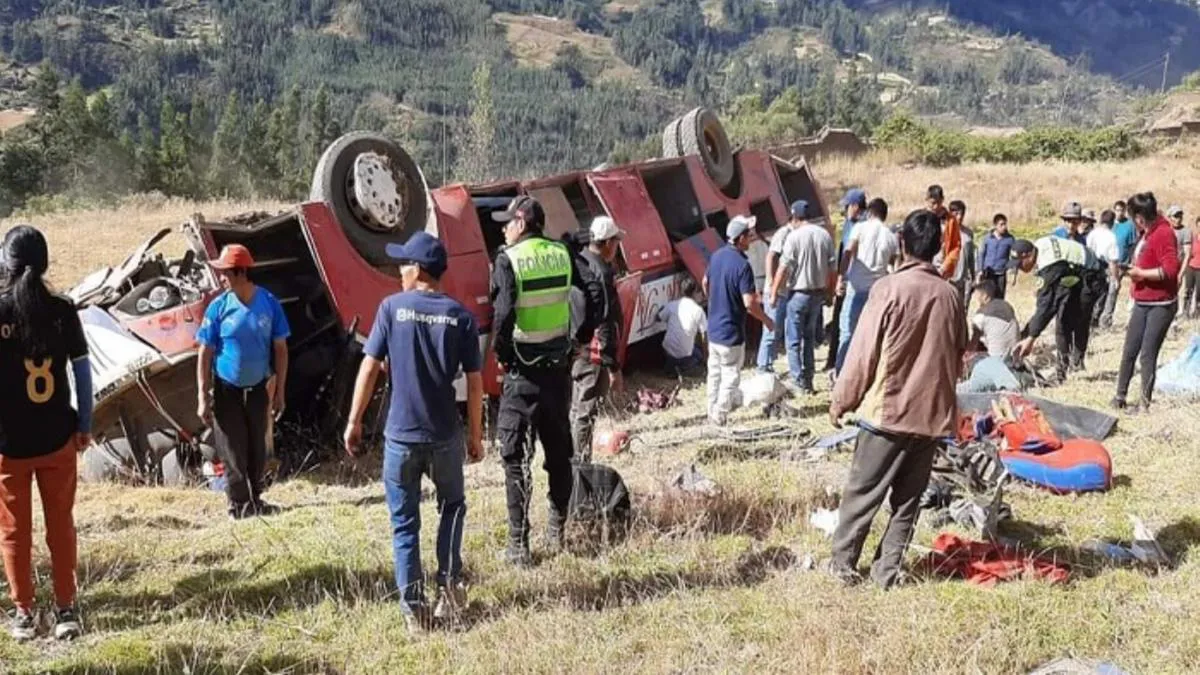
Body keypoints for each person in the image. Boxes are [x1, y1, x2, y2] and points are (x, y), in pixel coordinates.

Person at [342, 232, 484, 633]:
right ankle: (449, 591)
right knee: (452, 508)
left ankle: (415, 612)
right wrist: (475, 435)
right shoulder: (460, 317)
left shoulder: (391, 309)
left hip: (401, 437)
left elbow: (369, 367)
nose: (399, 272)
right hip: (444, 435)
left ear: (418, 270)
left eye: (403, 265)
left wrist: (354, 420)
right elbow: (475, 383)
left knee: (405, 523)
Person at [828, 209, 966, 589]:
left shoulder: (888, 289)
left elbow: (862, 354)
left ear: (902, 243)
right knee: (907, 503)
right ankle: (886, 572)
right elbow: (959, 357)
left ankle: (842, 567)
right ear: (938, 248)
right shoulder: (951, 295)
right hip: (930, 418)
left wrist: (841, 401)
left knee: (862, 496)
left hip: (886, 414)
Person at [489, 195, 602, 566]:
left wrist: (502, 353)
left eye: (507, 223)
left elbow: (503, 313)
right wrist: (581, 337)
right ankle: (556, 530)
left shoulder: (508, 259)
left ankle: (519, 546)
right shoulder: (562, 253)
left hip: (521, 373)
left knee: (514, 459)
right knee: (558, 455)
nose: (503, 230)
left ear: (521, 223)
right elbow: (595, 291)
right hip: (557, 373)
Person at [0, 226, 90, 641]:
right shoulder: (63, 310)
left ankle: (23, 613)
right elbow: (82, 373)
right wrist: (84, 424)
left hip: (8, 445)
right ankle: (66, 609)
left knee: (14, 532)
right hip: (57, 439)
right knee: (61, 526)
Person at [196, 244, 290, 520]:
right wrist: (202, 396)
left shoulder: (269, 303)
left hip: (259, 388)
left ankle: (256, 500)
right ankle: (237, 505)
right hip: (227, 389)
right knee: (232, 449)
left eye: (225, 272)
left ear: (240, 272)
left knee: (257, 446)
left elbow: (281, 349)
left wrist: (280, 392)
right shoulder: (218, 307)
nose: (221, 277)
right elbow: (204, 352)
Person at [1113, 192, 1180, 413]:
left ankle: (1144, 404)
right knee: (1130, 349)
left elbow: (1170, 270)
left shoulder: (1164, 233)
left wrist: (1141, 274)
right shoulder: (1147, 233)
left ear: (1139, 217)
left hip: (1160, 304)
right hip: (1142, 300)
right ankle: (1120, 396)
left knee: (1147, 353)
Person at [704, 215, 774, 424]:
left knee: (714, 373)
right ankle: (719, 414)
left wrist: (715, 300)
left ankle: (710, 408)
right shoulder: (743, 265)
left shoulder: (716, 256)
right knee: (730, 375)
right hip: (731, 333)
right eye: (748, 235)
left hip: (713, 329)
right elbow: (749, 303)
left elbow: (705, 281)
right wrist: (766, 320)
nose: (751, 238)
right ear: (740, 238)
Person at [1012, 234, 1106, 382]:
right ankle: (1070, 366)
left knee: (1068, 322)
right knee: (1064, 318)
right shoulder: (1039, 245)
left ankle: (1069, 368)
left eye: (1019, 265)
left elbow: (1047, 306)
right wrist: (1028, 332)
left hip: (1092, 277)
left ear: (1028, 255)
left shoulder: (1050, 264)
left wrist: (1031, 338)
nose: (1020, 269)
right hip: (1075, 273)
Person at [570, 216, 625, 465]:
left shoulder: (580, 260)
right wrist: (613, 366)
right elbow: (605, 322)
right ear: (608, 243)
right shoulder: (601, 272)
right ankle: (580, 463)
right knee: (586, 409)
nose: (617, 247)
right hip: (593, 352)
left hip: (577, 346)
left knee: (577, 406)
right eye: (616, 242)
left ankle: (574, 458)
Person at [770, 209, 836, 393]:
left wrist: (774, 292)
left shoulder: (794, 237)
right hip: (817, 295)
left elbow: (783, 267)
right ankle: (809, 380)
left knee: (793, 340)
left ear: (795, 218)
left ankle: (797, 381)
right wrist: (830, 294)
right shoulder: (824, 235)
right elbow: (833, 270)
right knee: (809, 338)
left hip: (798, 294)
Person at [835, 197, 897, 374]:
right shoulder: (890, 236)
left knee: (847, 334)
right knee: (871, 338)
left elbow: (848, 253)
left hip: (856, 289)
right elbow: (895, 265)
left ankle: (841, 374)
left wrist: (840, 278)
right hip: (877, 293)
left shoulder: (860, 228)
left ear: (869, 212)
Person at [757, 201, 806, 373]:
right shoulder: (784, 234)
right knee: (771, 329)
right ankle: (763, 367)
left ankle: (769, 364)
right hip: (777, 291)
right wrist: (772, 285)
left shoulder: (795, 235)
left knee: (779, 331)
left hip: (786, 289)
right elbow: (771, 257)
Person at [826, 189, 867, 372]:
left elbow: (849, 254)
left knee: (849, 325)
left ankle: (844, 364)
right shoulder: (849, 224)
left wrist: (841, 278)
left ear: (855, 206)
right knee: (838, 321)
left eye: (847, 206)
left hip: (854, 282)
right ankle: (833, 359)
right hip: (844, 279)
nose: (845, 210)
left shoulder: (863, 226)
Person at [659, 277, 706, 377]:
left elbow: (659, 317)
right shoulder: (698, 310)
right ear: (694, 293)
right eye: (699, 291)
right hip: (685, 356)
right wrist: (707, 357)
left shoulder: (672, 305)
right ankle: (684, 369)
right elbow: (704, 336)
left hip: (668, 353)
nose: (701, 295)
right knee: (699, 355)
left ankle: (672, 368)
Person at [1087, 209, 1122, 328]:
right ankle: (1103, 321)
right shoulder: (1111, 237)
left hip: (1090, 266)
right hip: (1104, 268)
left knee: (1092, 294)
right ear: (1112, 222)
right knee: (1107, 295)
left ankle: (1091, 319)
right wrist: (1116, 278)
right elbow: (1113, 260)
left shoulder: (1092, 234)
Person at [969, 280, 1020, 359]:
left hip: (996, 358)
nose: (976, 298)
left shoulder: (981, 315)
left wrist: (967, 354)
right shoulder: (1007, 305)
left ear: (985, 296)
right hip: (1015, 355)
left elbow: (974, 343)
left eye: (977, 295)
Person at [927, 185, 962, 281]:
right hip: (924, 266)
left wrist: (945, 266)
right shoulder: (921, 218)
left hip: (942, 268)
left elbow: (956, 246)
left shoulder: (951, 220)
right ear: (927, 200)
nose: (936, 206)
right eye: (932, 203)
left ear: (943, 200)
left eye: (938, 203)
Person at [976, 213, 1015, 299]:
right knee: (987, 297)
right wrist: (979, 270)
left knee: (1000, 297)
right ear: (995, 225)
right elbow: (981, 254)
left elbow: (1014, 257)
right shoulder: (987, 238)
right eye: (1001, 224)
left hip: (1001, 273)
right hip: (988, 273)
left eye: (1005, 224)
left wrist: (1013, 272)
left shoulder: (1010, 239)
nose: (1004, 227)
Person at [949, 200, 976, 308]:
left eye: (961, 214)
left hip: (963, 279)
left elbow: (971, 256)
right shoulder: (944, 232)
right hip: (949, 278)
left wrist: (973, 276)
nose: (959, 217)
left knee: (962, 309)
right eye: (956, 214)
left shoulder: (968, 234)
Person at [1169, 205, 1193, 273]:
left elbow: (1187, 254)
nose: (1178, 219)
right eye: (1176, 216)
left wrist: (1180, 273)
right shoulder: (1165, 229)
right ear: (1170, 217)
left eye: (1180, 216)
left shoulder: (1186, 231)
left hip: (1177, 268)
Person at [1185, 216, 1200, 319]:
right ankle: (1186, 311)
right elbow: (1188, 253)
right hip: (1190, 267)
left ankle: (1197, 313)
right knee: (1188, 291)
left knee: (1199, 292)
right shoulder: (1193, 238)